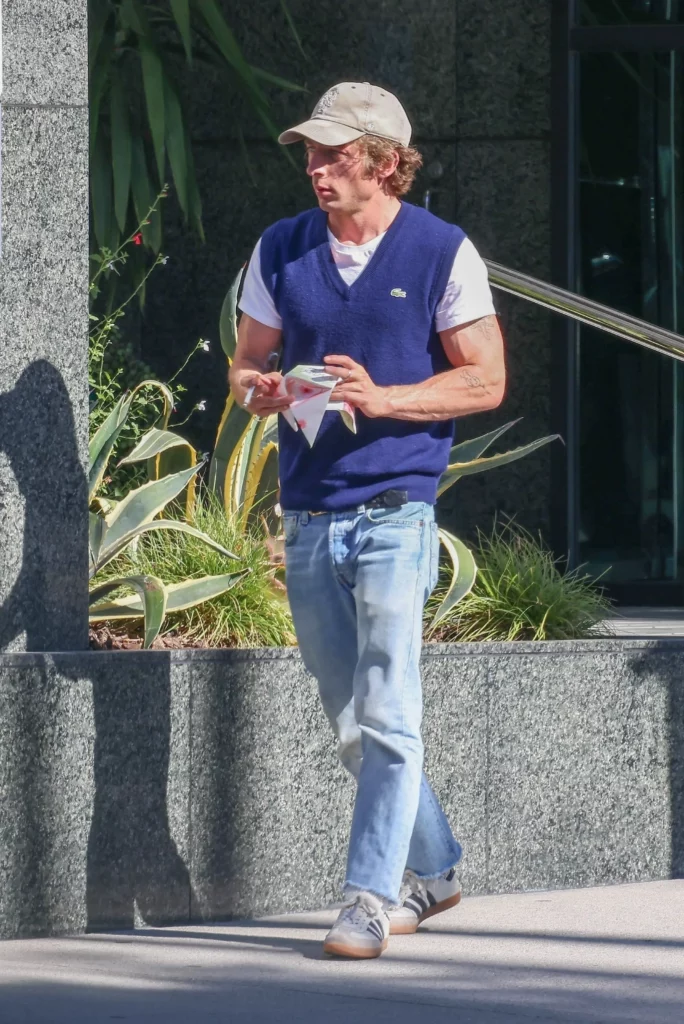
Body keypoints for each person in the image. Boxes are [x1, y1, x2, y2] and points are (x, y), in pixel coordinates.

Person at [230, 82, 506, 959]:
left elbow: (486, 380)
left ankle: (367, 899)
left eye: (333, 154)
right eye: (309, 154)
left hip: (397, 514)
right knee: (352, 723)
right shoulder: (280, 249)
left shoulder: (442, 252)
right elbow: (244, 366)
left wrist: (384, 398)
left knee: (388, 711)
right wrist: (261, 391)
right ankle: (439, 870)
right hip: (309, 518)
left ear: (384, 162)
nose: (314, 169)